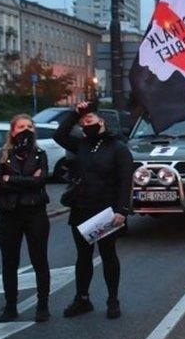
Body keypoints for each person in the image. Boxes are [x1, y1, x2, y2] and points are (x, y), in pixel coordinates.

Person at [53, 101, 133, 319]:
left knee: (108, 255)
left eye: (90, 119)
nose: (85, 122)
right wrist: (74, 113)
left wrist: (121, 210)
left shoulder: (118, 148)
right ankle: (82, 298)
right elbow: (58, 135)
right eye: (83, 121)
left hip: (105, 210)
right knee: (83, 256)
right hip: (81, 208)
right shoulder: (81, 144)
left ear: (102, 121)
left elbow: (125, 181)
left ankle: (112, 299)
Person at [0, 115, 51, 322]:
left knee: (39, 260)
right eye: (21, 127)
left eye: (29, 126)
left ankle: (42, 305)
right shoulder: (3, 154)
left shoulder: (40, 154)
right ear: (12, 131)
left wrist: (12, 179)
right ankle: (10, 305)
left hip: (35, 212)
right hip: (9, 213)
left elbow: (40, 181)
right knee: (9, 262)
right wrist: (26, 180)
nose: (26, 130)